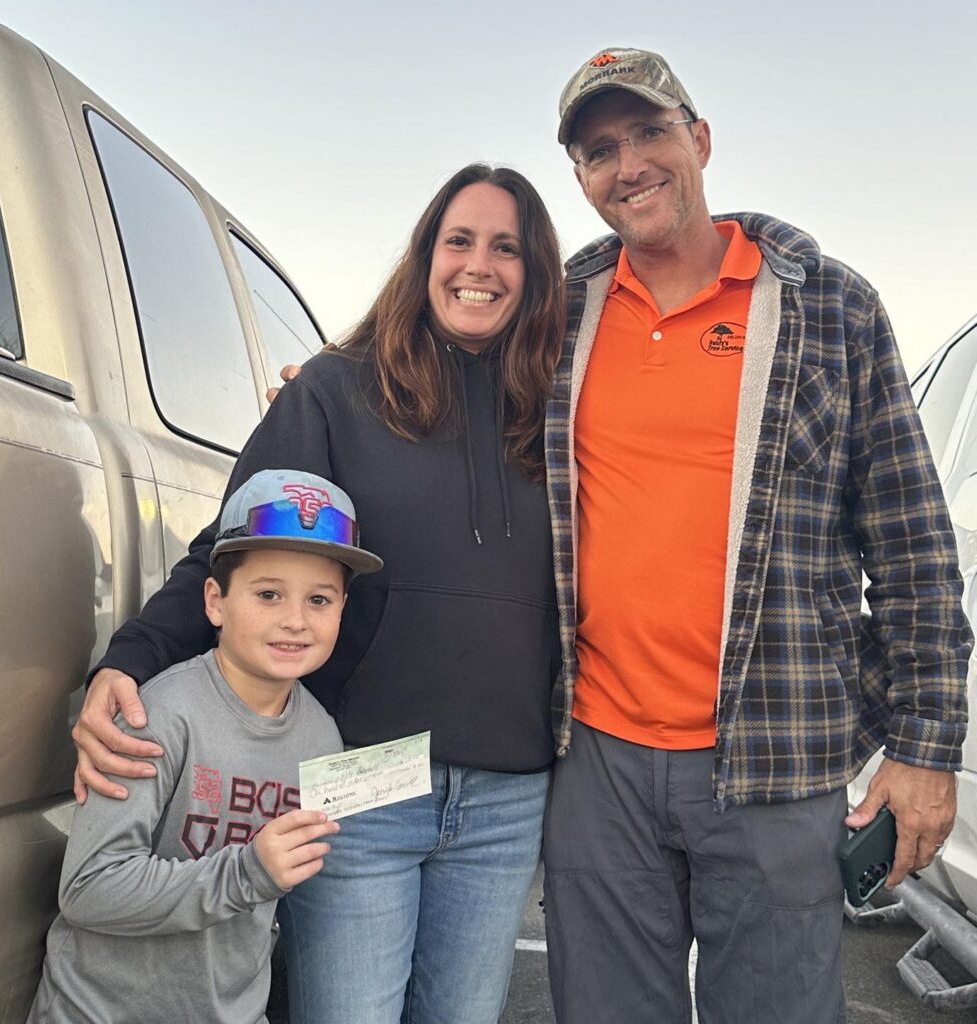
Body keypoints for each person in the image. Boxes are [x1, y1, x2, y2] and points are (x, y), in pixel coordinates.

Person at [70, 164, 565, 1024]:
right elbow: (229, 552)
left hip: (507, 796)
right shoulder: (336, 391)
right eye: (459, 241)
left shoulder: (561, 411)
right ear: (426, 255)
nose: (479, 265)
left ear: (536, 271)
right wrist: (130, 659)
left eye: (506, 247)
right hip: (363, 773)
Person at [540, 46, 972, 1024]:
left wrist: (925, 747)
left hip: (777, 755)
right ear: (581, 178)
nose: (628, 164)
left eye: (648, 131)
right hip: (595, 756)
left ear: (698, 139)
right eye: (598, 150)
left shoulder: (830, 304)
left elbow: (910, 541)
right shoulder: (559, 313)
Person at [27, 468, 383, 1024]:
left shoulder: (321, 737)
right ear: (215, 601)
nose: (295, 620)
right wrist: (247, 873)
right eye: (268, 594)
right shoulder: (158, 715)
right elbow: (88, 888)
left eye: (320, 599)